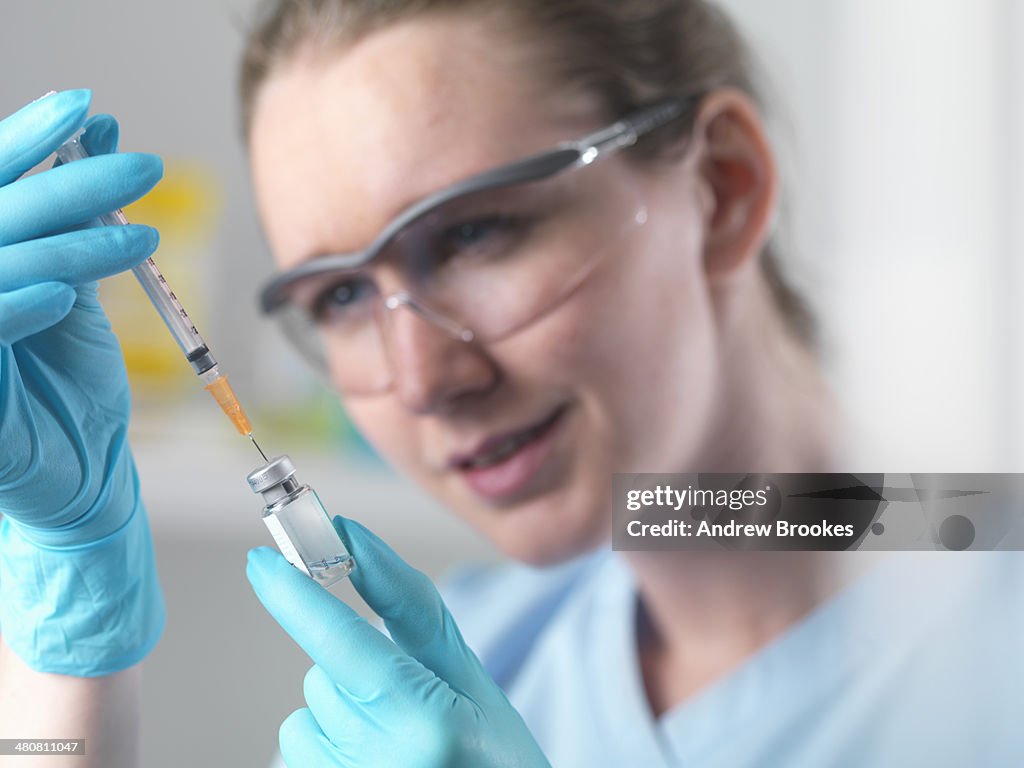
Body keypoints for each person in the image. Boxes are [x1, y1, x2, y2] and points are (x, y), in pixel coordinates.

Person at [0, 1, 1020, 767]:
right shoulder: (483, 657)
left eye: (478, 233)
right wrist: (72, 649)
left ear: (721, 188)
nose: (422, 378)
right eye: (342, 297)